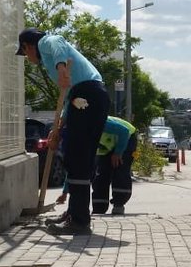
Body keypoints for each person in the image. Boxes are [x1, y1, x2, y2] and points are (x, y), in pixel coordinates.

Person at [17, 28, 109, 234]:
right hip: (86, 97)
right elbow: (67, 98)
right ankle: (74, 213)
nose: (28, 58)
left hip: (87, 95)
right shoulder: (57, 67)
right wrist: (59, 127)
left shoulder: (46, 44)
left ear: (27, 46)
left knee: (78, 157)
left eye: (25, 53)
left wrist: (61, 68)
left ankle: (79, 220)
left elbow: (56, 40)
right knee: (77, 157)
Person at [91, 116, 137, 215]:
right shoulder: (80, 134)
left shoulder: (97, 122)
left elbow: (124, 131)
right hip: (107, 145)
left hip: (127, 137)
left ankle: (119, 204)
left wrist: (118, 153)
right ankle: (99, 209)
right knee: (101, 175)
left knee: (119, 170)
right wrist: (66, 191)